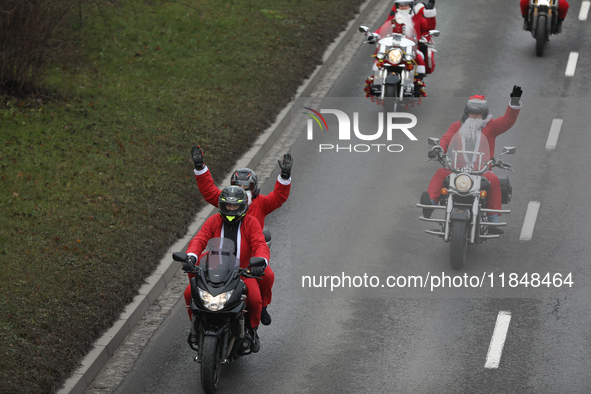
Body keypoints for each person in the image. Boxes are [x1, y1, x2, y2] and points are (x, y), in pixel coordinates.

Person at [190, 145, 292, 326]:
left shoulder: (261, 205)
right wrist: (200, 167)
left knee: (267, 277)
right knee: (194, 270)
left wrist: (284, 178)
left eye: (247, 187)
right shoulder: (224, 205)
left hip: (249, 258)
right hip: (219, 258)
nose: (242, 190)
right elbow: (208, 191)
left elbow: (278, 197)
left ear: (254, 188)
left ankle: (262, 311)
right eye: (238, 186)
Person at [421, 86, 523, 234]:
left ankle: (493, 220)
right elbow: (445, 139)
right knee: (440, 172)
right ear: (466, 113)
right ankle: (429, 205)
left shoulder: (492, 126)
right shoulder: (456, 126)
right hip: (456, 168)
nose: (474, 117)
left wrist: (514, 103)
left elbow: (507, 121)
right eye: (471, 113)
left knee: (494, 180)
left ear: (484, 115)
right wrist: (438, 149)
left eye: (478, 114)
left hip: (481, 171)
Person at [184, 186, 270, 352]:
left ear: (243, 206)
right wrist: (191, 257)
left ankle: (251, 331)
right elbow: (200, 239)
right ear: (221, 205)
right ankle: (195, 327)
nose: (231, 209)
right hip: (214, 273)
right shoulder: (213, 221)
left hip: (242, 272)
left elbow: (260, 244)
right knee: (189, 293)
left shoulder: (251, 223)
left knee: (255, 299)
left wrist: (260, 263)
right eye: (228, 206)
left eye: (235, 206)